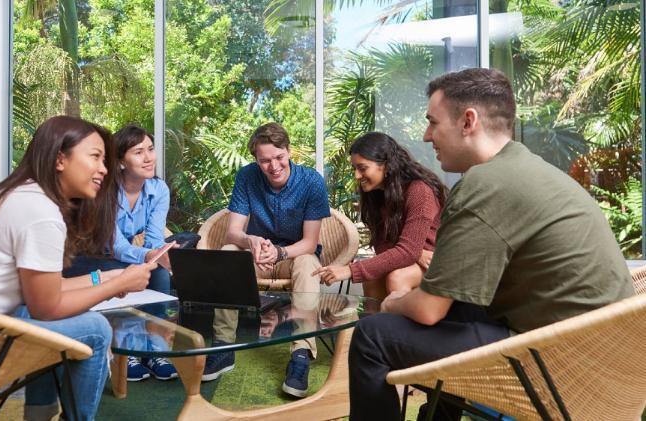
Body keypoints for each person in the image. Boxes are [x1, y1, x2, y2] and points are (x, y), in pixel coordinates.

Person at [347, 68, 635, 421]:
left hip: (559, 366)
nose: (426, 136)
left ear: (468, 121)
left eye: (433, 123)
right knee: (457, 312)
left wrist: (392, 304)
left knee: (371, 335)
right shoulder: (529, 168)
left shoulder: (484, 184)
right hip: (610, 363)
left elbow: (428, 310)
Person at [0, 115, 156, 421]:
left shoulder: (17, 195)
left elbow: (39, 293)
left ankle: (38, 415)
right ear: (60, 159)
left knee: (63, 324)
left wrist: (106, 277)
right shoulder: (40, 212)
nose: (104, 169)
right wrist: (118, 286)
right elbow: (47, 309)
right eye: (95, 157)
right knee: (96, 329)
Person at [212, 122, 330, 398]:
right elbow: (233, 232)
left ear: (289, 151)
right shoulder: (246, 177)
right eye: (265, 160)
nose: (273, 166)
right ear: (256, 160)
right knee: (228, 254)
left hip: (295, 254)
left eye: (279, 157)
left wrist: (279, 253)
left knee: (308, 265)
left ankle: (301, 354)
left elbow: (310, 243)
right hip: (258, 253)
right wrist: (249, 241)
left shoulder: (311, 181)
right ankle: (222, 347)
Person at [63, 124, 177, 382]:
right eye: (138, 152)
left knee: (158, 274)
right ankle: (131, 352)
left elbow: (155, 239)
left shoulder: (158, 190)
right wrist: (148, 256)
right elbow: (114, 245)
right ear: (121, 161)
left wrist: (158, 254)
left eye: (150, 149)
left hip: (120, 254)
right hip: (90, 256)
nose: (148, 158)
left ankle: (156, 351)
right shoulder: (104, 191)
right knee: (131, 271)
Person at [313, 132, 447, 301]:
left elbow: (407, 251)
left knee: (398, 277)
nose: (356, 176)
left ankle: (401, 328)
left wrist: (350, 270)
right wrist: (415, 252)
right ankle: (375, 326)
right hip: (417, 259)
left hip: (438, 263)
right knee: (372, 278)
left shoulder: (419, 191)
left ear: (386, 165)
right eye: (354, 169)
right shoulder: (377, 196)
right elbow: (383, 247)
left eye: (362, 168)